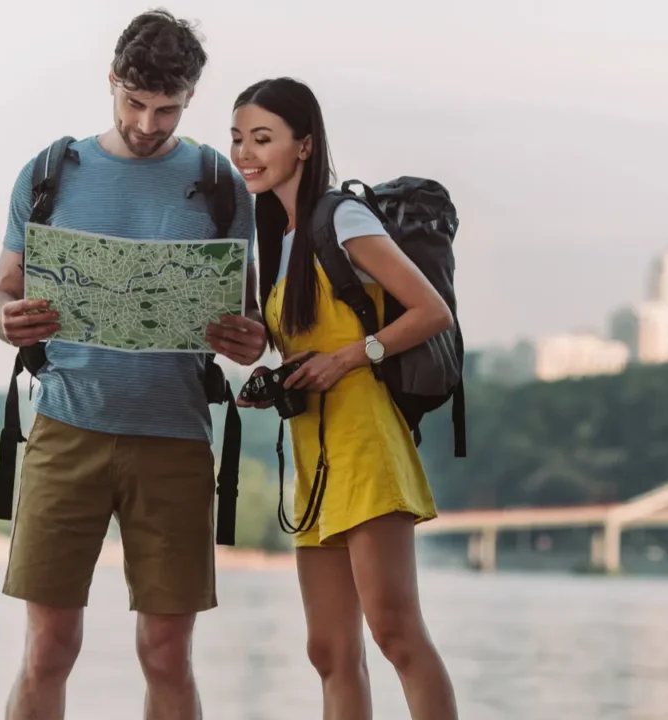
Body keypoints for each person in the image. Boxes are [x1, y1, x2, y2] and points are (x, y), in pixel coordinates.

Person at [0, 10, 267, 720]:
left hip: (175, 437)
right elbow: (0, 294)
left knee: (167, 655)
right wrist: (4, 320)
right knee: (48, 651)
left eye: (166, 109)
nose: (146, 123)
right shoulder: (48, 173)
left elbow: (251, 317)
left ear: (191, 97)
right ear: (111, 79)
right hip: (64, 429)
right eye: (134, 102)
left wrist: (249, 340)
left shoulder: (221, 183)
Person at [228, 77, 460, 720]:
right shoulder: (277, 239)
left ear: (304, 146)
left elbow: (430, 311)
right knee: (329, 651)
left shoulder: (342, 219)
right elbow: (311, 341)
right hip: (315, 458)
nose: (246, 153)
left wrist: (349, 358)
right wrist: (276, 375)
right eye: (238, 139)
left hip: (366, 446)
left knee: (396, 633)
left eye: (263, 139)